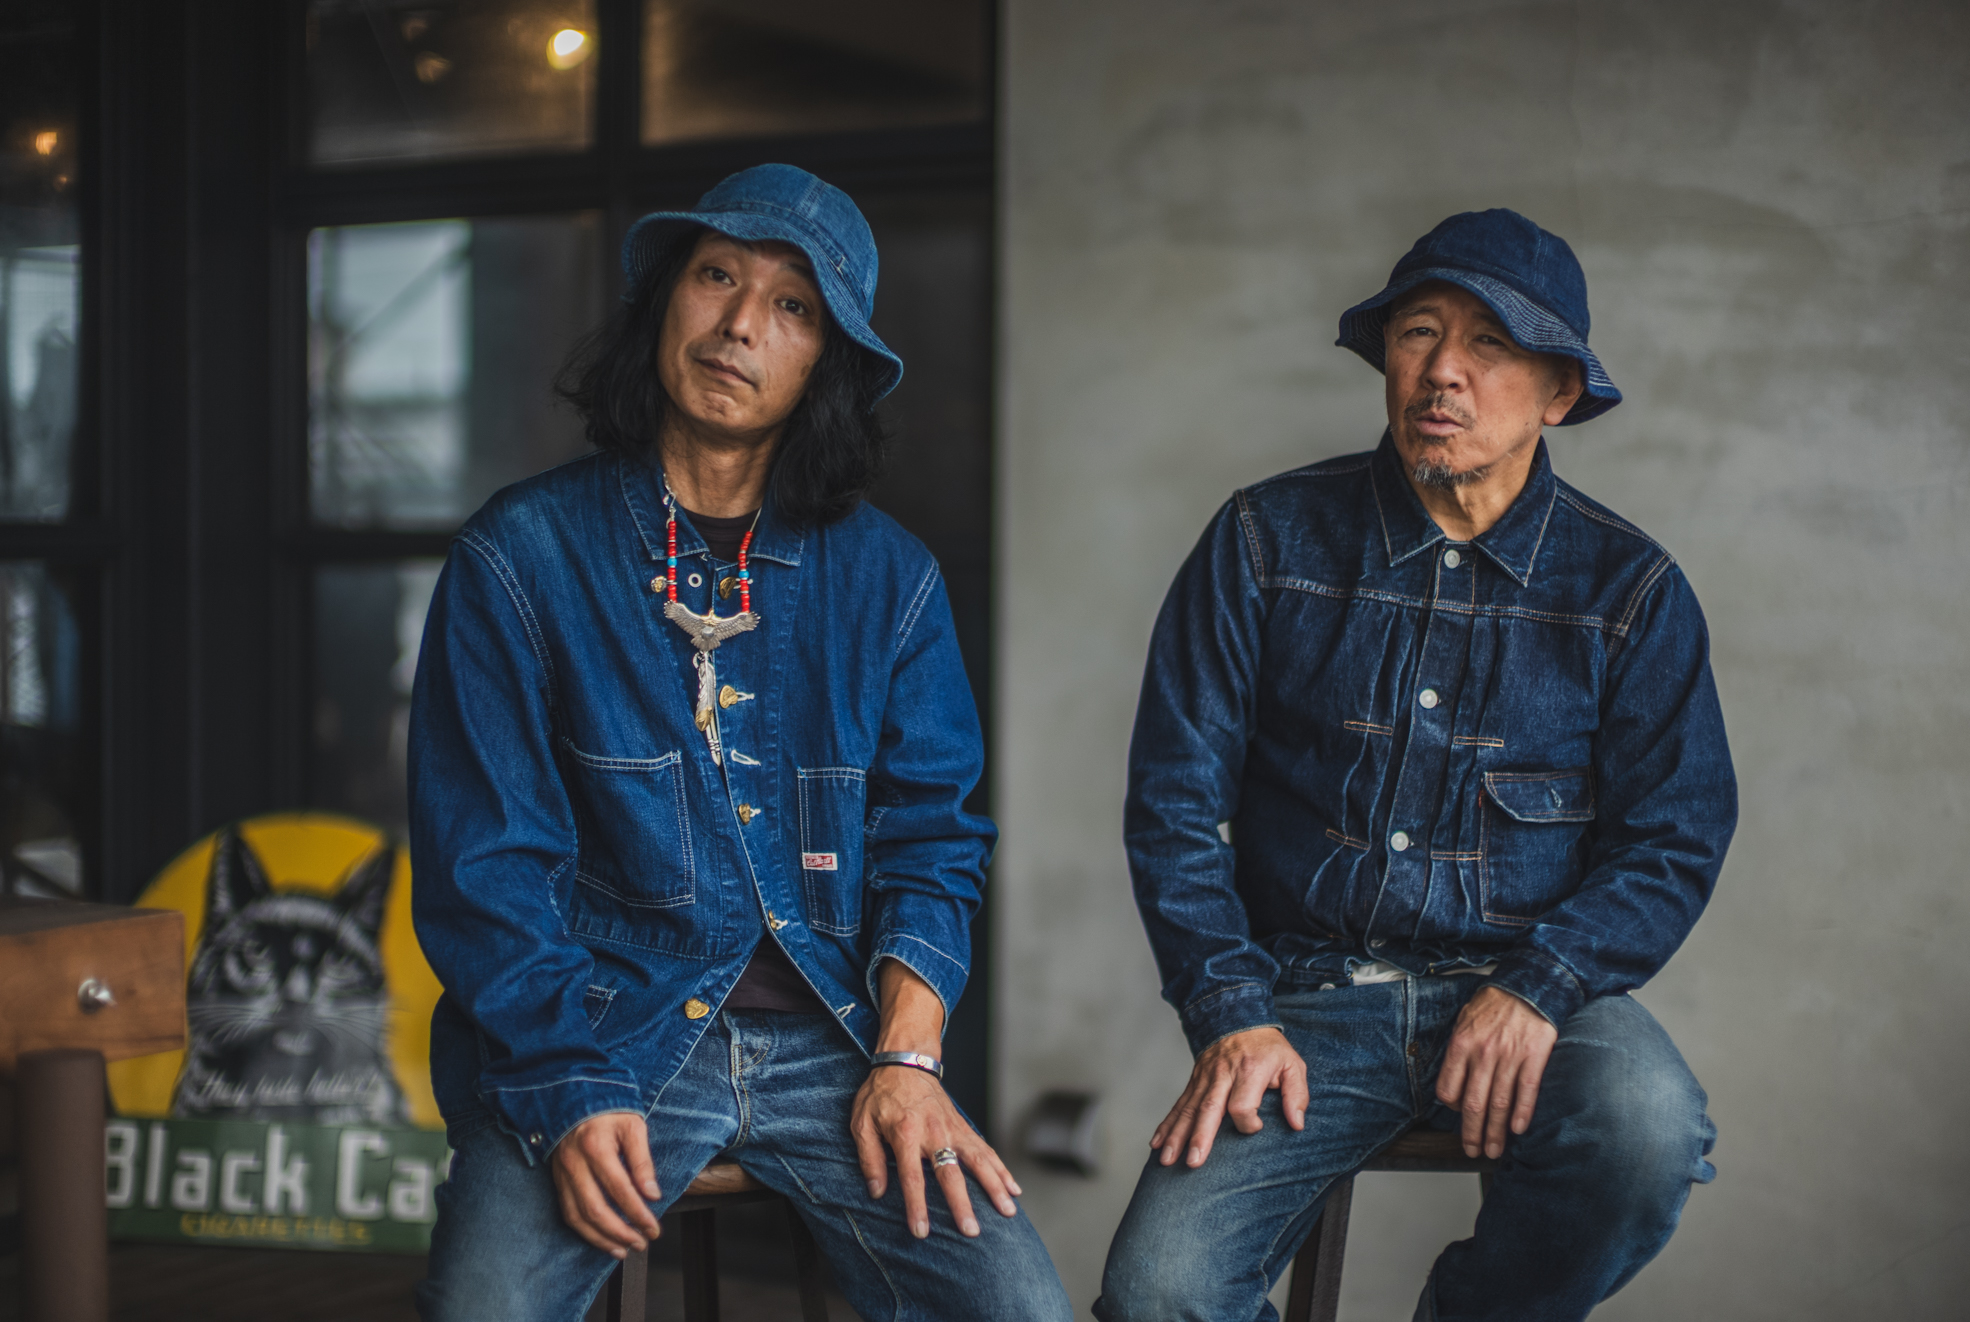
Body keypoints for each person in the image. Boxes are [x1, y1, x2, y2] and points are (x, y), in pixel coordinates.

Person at [409, 163, 1068, 1321]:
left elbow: (932, 838)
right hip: (598, 1029)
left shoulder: (890, 580)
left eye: (791, 305)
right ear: (666, 300)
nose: (739, 324)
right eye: (716, 276)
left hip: (833, 1042)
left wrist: (907, 1057)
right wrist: (564, 1080)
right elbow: (486, 868)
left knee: (1017, 1306)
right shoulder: (521, 556)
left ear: (826, 363)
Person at [1097, 209, 1735, 1322]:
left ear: (1558, 392)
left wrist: (1538, 985)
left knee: (1646, 1129)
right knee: (1157, 1296)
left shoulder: (1628, 591)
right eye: (1417, 333)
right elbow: (1173, 804)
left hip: (1524, 992)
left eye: (1489, 342)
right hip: (1300, 998)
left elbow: (1673, 837)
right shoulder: (1263, 541)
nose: (1442, 370)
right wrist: (1229, 1010)